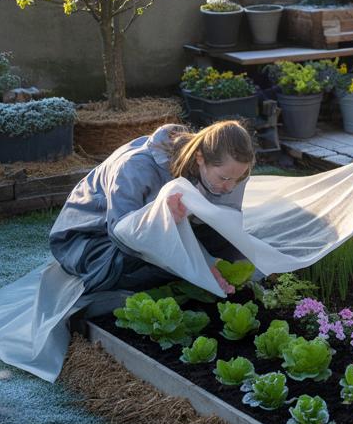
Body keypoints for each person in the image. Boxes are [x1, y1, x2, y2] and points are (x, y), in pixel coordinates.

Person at [48, 120, 255, 315]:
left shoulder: (211, 169)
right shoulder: (135, 167)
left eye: (237, 179)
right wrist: (160, 220)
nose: (230, 187)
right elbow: (123, 235)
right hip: (92, 240)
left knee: (229, 250)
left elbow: (222, 222)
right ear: (200, 158)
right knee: (166, 270)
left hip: (144, 230)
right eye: (224, 178)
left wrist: (214, 259)